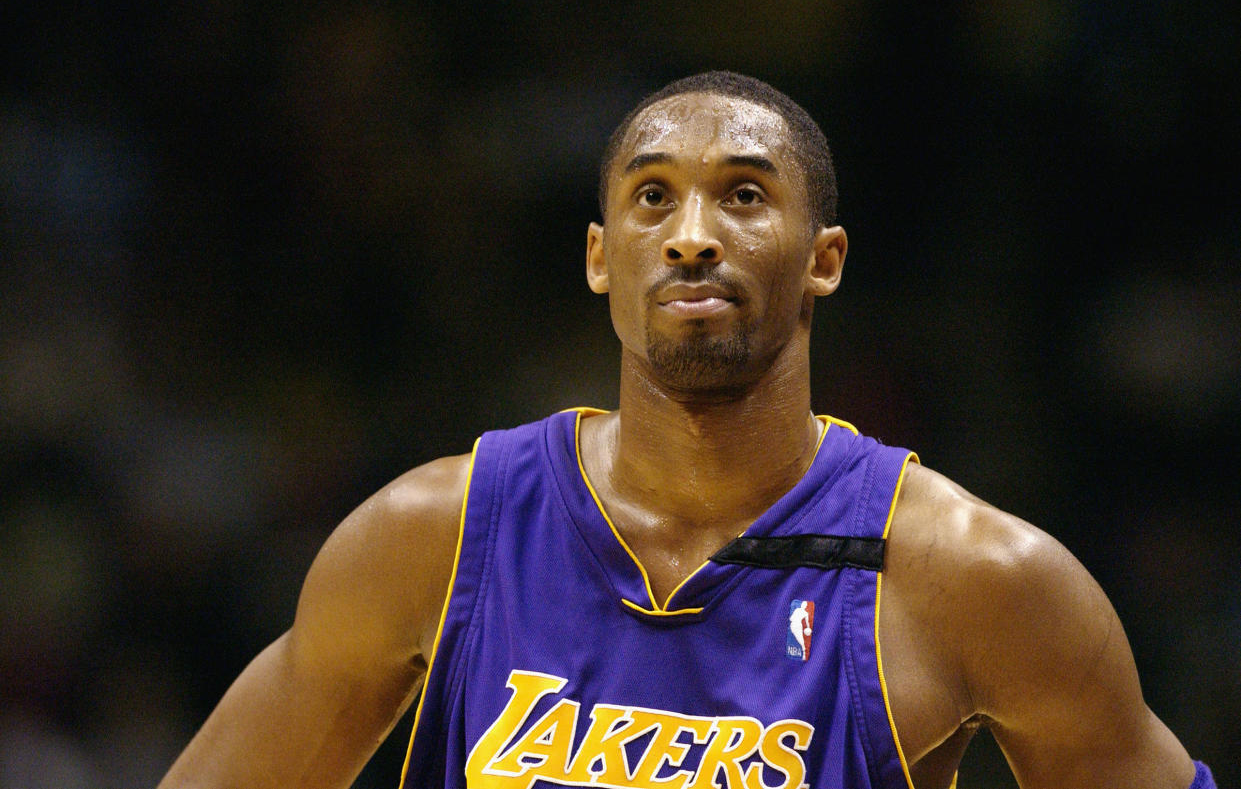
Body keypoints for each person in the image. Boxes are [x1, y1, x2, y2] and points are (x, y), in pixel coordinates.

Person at [156, 71, 1215, 789]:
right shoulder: (430, 533)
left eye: (744, 195)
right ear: (598, 256)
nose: (692, 235)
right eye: (651, 198)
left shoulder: (977, 576)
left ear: (824, 258)